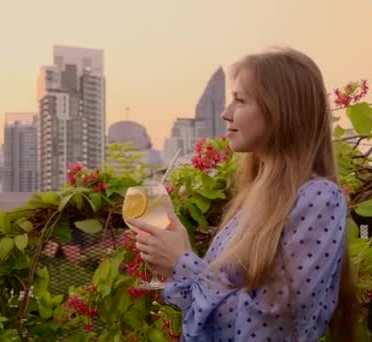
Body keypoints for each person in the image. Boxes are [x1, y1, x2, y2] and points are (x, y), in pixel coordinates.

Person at [126, 47, 356, 341]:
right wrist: (180, 252)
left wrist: (181, 263)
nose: (226, 113)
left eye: (240, 100)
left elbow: (270, 329)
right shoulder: (255, 199)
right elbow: (206, 313)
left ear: (281, 110)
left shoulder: (318, 198)